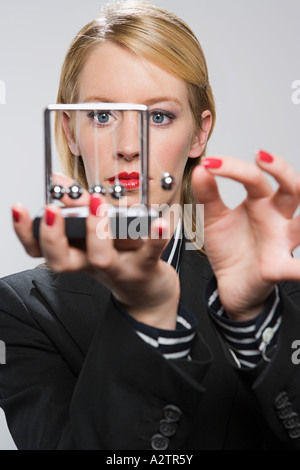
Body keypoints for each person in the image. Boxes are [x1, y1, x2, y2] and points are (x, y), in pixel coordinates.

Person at [1, 0, 300, 450]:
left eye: (158, 116)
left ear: (199, 134)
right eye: (102, 115)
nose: (127, 145)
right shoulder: (23, 309)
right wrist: (147, 316)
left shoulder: (276, 292)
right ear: (68, 131)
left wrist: (252, 320)